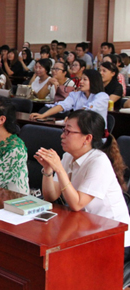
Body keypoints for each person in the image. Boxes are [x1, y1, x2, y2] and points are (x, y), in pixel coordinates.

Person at [36, 110, 129, 257]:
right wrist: (47, 170)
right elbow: (51, 196)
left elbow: (77, 204)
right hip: (85, 227)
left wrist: (59, 169)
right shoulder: (68, 157)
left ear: (87, 138)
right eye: (63, 130)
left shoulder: (99, 161)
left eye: (68, 131)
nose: (62, 135)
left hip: (114, 236)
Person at [30, 69, 109, 126]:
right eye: (81, 79)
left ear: (94, 81)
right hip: (77, 129)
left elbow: (88, 109)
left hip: (95, 133)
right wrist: (43, 115)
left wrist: (72, 117)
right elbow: (62, 106)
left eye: (85, 79)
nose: (81, 82)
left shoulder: (102, 96)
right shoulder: (76, 94)